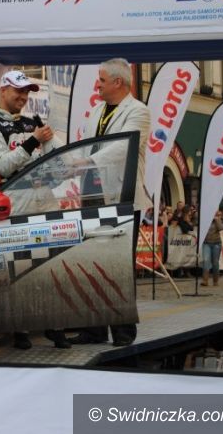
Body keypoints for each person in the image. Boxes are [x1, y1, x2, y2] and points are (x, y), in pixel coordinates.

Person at [0, 70, 67, 350]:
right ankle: (21, 330)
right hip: (14, 203)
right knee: (21, 269)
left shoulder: (34, 123)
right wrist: (33, 141)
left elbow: (60, 164)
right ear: (3, 90)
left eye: (27, 91)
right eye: (18, 90)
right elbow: (3, 166)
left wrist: (52, 151)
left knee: (51, 268)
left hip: (45, 199)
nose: (23, 96)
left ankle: (56, 326)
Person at [68, 58, 151, 347]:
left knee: (118, 266)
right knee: (92, 263)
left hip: (121, 198)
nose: (97, 85)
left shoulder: (138, 111)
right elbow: (85, 146)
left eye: (102, 80)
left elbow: (123, 147)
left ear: (118, 82)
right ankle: (94, 330)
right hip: (92, 195)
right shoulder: (97, 111)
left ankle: (124, 332)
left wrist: (87, 162)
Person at [201, 209, 223, 286]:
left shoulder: (218, 219)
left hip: (216, 243)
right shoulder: (204, 220)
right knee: (206, 261)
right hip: (206, 243)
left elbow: (220, 228)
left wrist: (217, 220)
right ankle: (205, 280)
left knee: (215, 262)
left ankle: (215, 280)